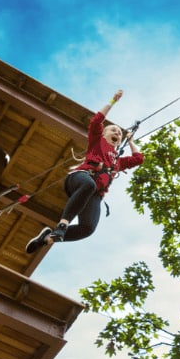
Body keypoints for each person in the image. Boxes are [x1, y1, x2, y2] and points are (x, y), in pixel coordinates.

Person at [26, 89, 144, 254]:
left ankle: (47, 238)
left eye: (119, 133)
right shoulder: (97, 141)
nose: (117, 132)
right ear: (103, 134)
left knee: (88, 228)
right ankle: (62, 225)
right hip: (81, 178)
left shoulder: (118, 161)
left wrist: (131, 140)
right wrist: (112, 101)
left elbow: (139, 158)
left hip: (95, 194)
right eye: (113, 130)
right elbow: (96, 121)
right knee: (89, 185)